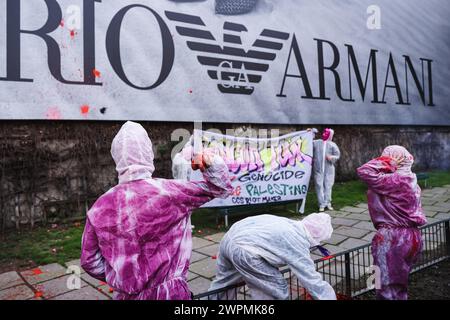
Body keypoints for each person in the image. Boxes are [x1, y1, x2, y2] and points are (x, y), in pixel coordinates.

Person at [80, 121, 233, 300]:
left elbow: (89, 261)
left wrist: (120, 278)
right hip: (171, 295)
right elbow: (221, 187)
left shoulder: (99, 208)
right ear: (148, 152)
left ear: (116, 156)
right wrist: (209, 161)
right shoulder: (172, 192)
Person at [208, 213, 336, 300]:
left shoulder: (291, 224)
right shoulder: (297, 240)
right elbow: (311, 278)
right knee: (275, 289)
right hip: (245, 250)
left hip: (229, 239)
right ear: (315, 238)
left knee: (224, 284)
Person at [356, 145, 427, 300]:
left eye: (384, 157)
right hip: (411, 236)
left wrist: (388, 161)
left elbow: (364, 171)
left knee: (384, 286)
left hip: (392, 238)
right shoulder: (410, 178)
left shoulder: (395, 180)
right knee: (398, 284)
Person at [313, 128, 340, 212]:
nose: (324, 133)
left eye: (327, 132)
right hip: (318, 168)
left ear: (330, 135)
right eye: (324, 132)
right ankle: (321, 204)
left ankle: (328, 203)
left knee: (328, 186)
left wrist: (331, 157)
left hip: (329, 170)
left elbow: (337, 155)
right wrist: (311, 132)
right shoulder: (317, 142)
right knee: (319, 185)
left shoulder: (332, 145)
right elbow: (308, 142)